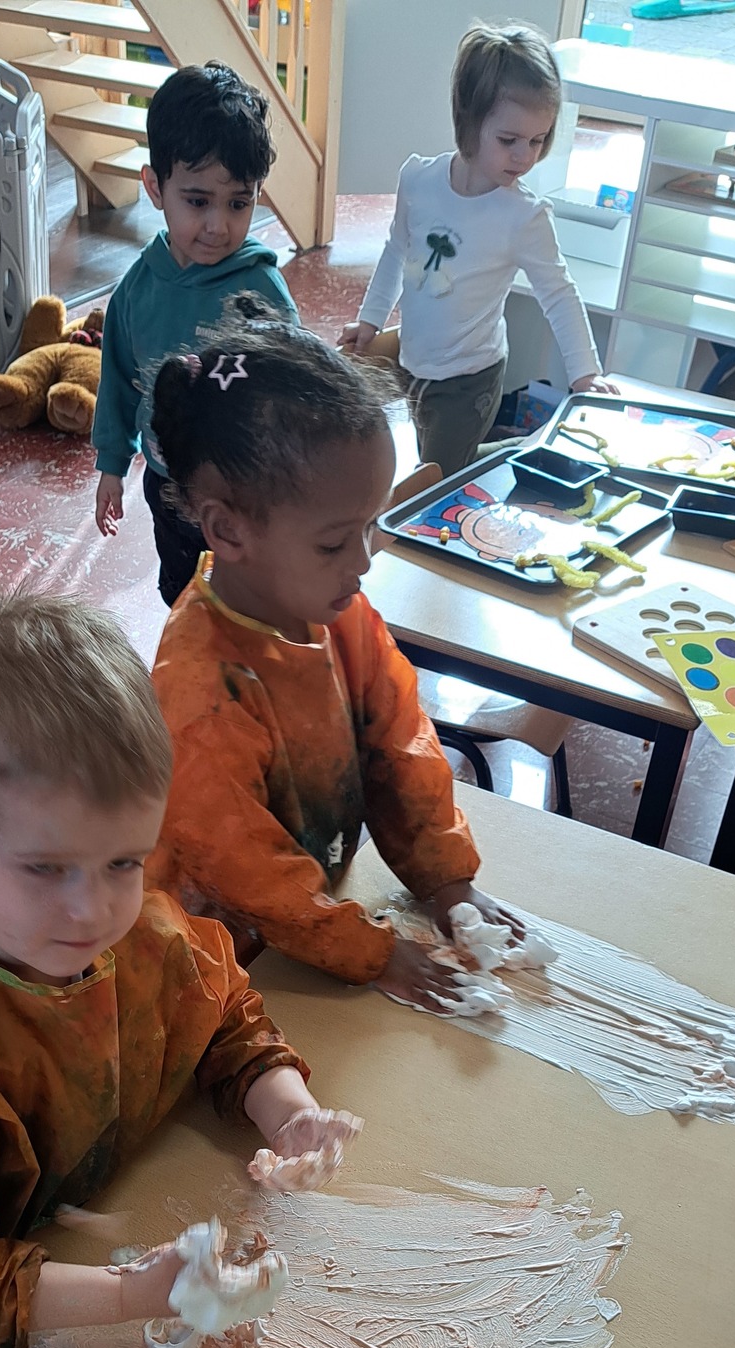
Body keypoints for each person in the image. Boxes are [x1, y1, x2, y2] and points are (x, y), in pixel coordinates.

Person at [0, 592, 358, 1348]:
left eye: (124, 861)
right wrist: (133, 1295)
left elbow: (225, 1018)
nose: (93, 910)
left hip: (109, 1210)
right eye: (43, 868)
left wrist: (286, 1111)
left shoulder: (143, 932)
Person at [146, 311, 523, 1011]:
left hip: (311, 921)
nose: (363, 562)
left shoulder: (337, 613)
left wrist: (446, 882)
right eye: (333, 543)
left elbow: (401, 746)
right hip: (215, 970)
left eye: (369, 528)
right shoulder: (199, 693)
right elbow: (243, 871)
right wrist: (368, 952)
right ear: (228, 530)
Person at [340, 23, 617, 476]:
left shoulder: (523, 217)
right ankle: (515, 449)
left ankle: (524, 449)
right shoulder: (418, 180)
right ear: (469, 120)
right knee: (439, 464)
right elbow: (396, 251)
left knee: (436, 479)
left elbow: (559, 293)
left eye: (538, 140)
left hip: (471, 378)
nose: (525, 156)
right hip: (413, 363)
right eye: (509, 140)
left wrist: (586, 374)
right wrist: (370, 320)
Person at [92, 60, 298, 606]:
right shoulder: (136, 290)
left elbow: (298, 394)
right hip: (166, 484)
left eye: (239, 203)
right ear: (155, 187)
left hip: (243, 495)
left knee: (246, 605)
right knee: (183, 600)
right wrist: (112, 465)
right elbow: (118, 382)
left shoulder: (260, 291)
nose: (218, 226)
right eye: (198, 201)